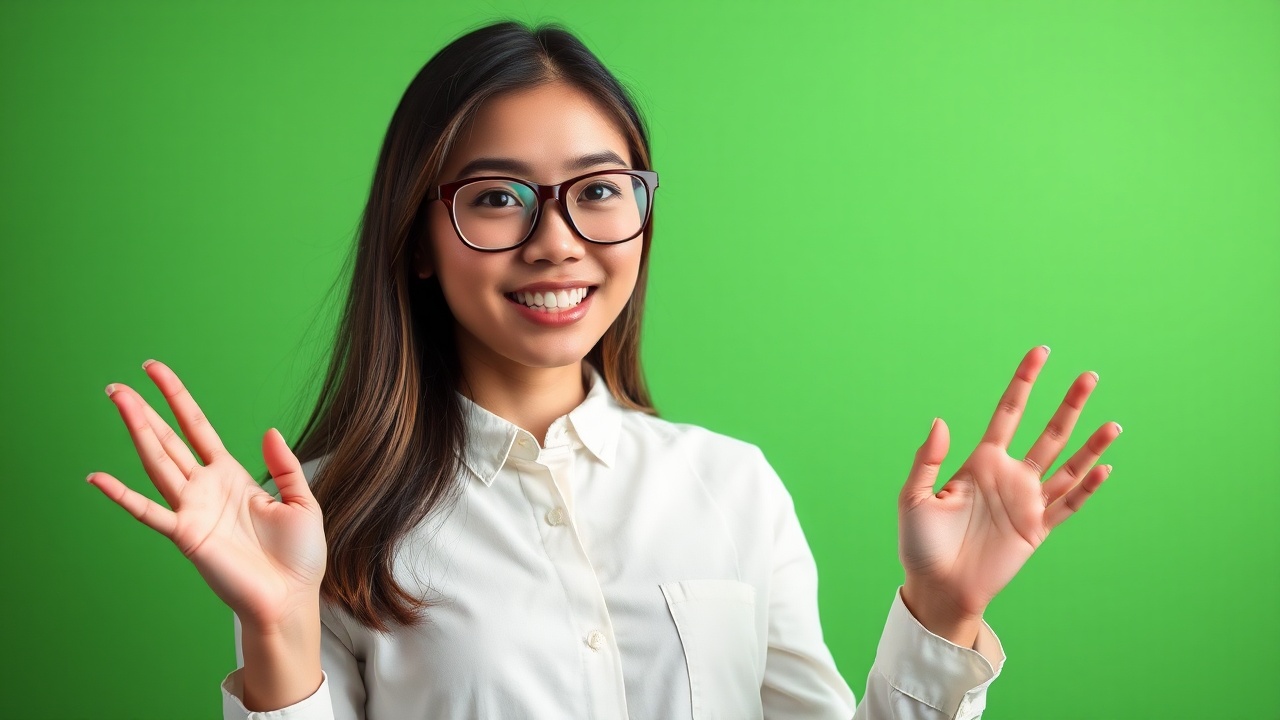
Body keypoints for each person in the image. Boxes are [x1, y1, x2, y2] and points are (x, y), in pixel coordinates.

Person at [88, 20, 1121, 720]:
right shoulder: (314, 521)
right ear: (418, 232)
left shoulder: (732, 486)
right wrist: (276, 633)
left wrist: (941, 616)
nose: (558, 243)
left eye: (599, 191)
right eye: (497, 199)